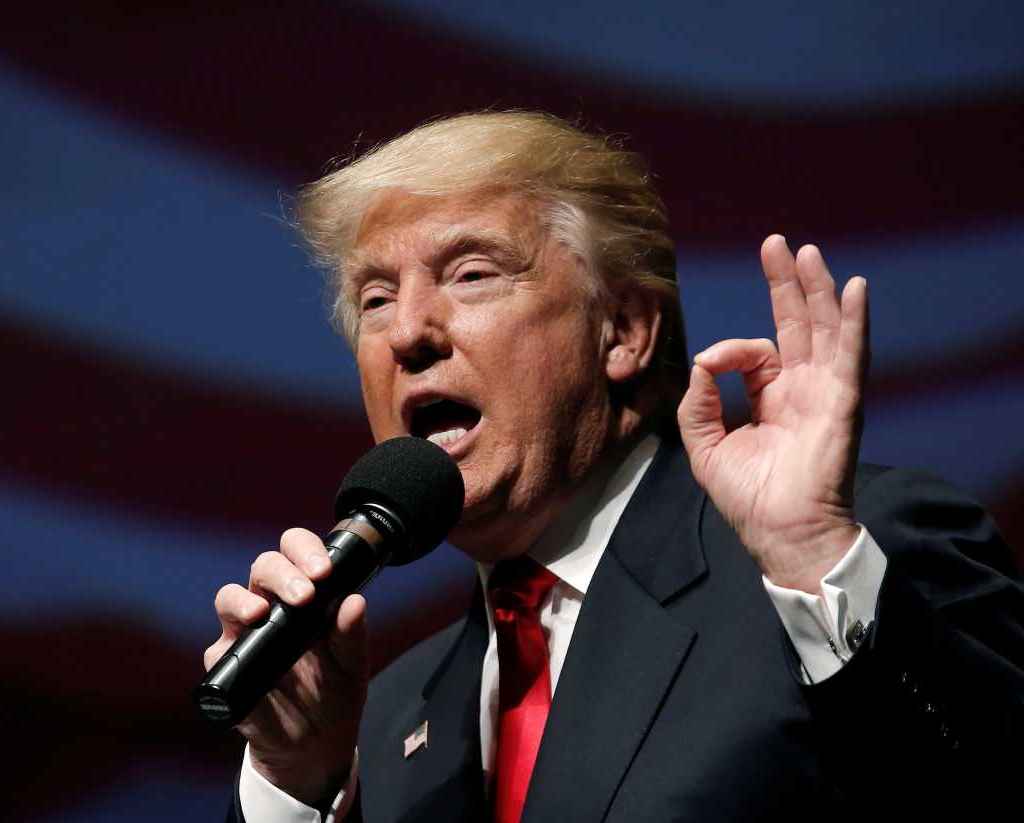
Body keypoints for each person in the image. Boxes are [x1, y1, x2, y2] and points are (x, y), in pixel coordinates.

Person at [204, 112, 1023, 822]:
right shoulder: (383, 722)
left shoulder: (843, 562)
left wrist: (813, 552)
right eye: (375, 297)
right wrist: (295, 780)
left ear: (624, 330)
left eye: (473, 273)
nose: (408, 331)